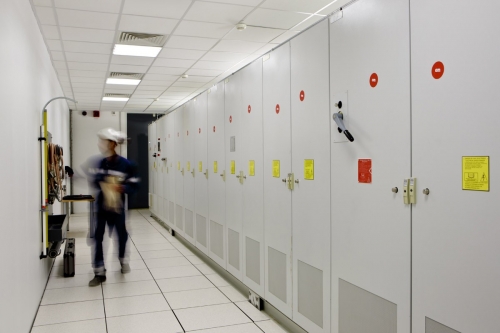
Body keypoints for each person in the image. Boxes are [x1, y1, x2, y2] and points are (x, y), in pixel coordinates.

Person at [89, 128, 139, 287]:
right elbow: (95, 181)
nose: (100, 144)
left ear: (112, 144)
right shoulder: (100, 163)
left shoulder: (126, 165)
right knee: (98, 238)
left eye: (103, 141)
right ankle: (99, 272)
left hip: (118, 208)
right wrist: (103, 183)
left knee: (121, 235)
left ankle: (123, 259)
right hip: (102, 207)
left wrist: (122, 188)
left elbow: (134, 186)